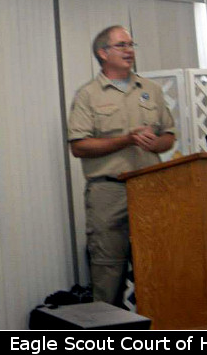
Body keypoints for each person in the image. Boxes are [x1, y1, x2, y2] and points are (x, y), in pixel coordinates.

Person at [67, 25, 176, 306]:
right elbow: (79, 146)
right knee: (108, 270)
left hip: (150, 189)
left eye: (131, 45)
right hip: (108, 192)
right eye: (122, 45)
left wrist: (156, 143)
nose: (129, 51)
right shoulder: (88, 95)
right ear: (103, 53)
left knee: (158, 267)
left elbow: (169, 136)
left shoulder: (150, 90)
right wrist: (126, 139)